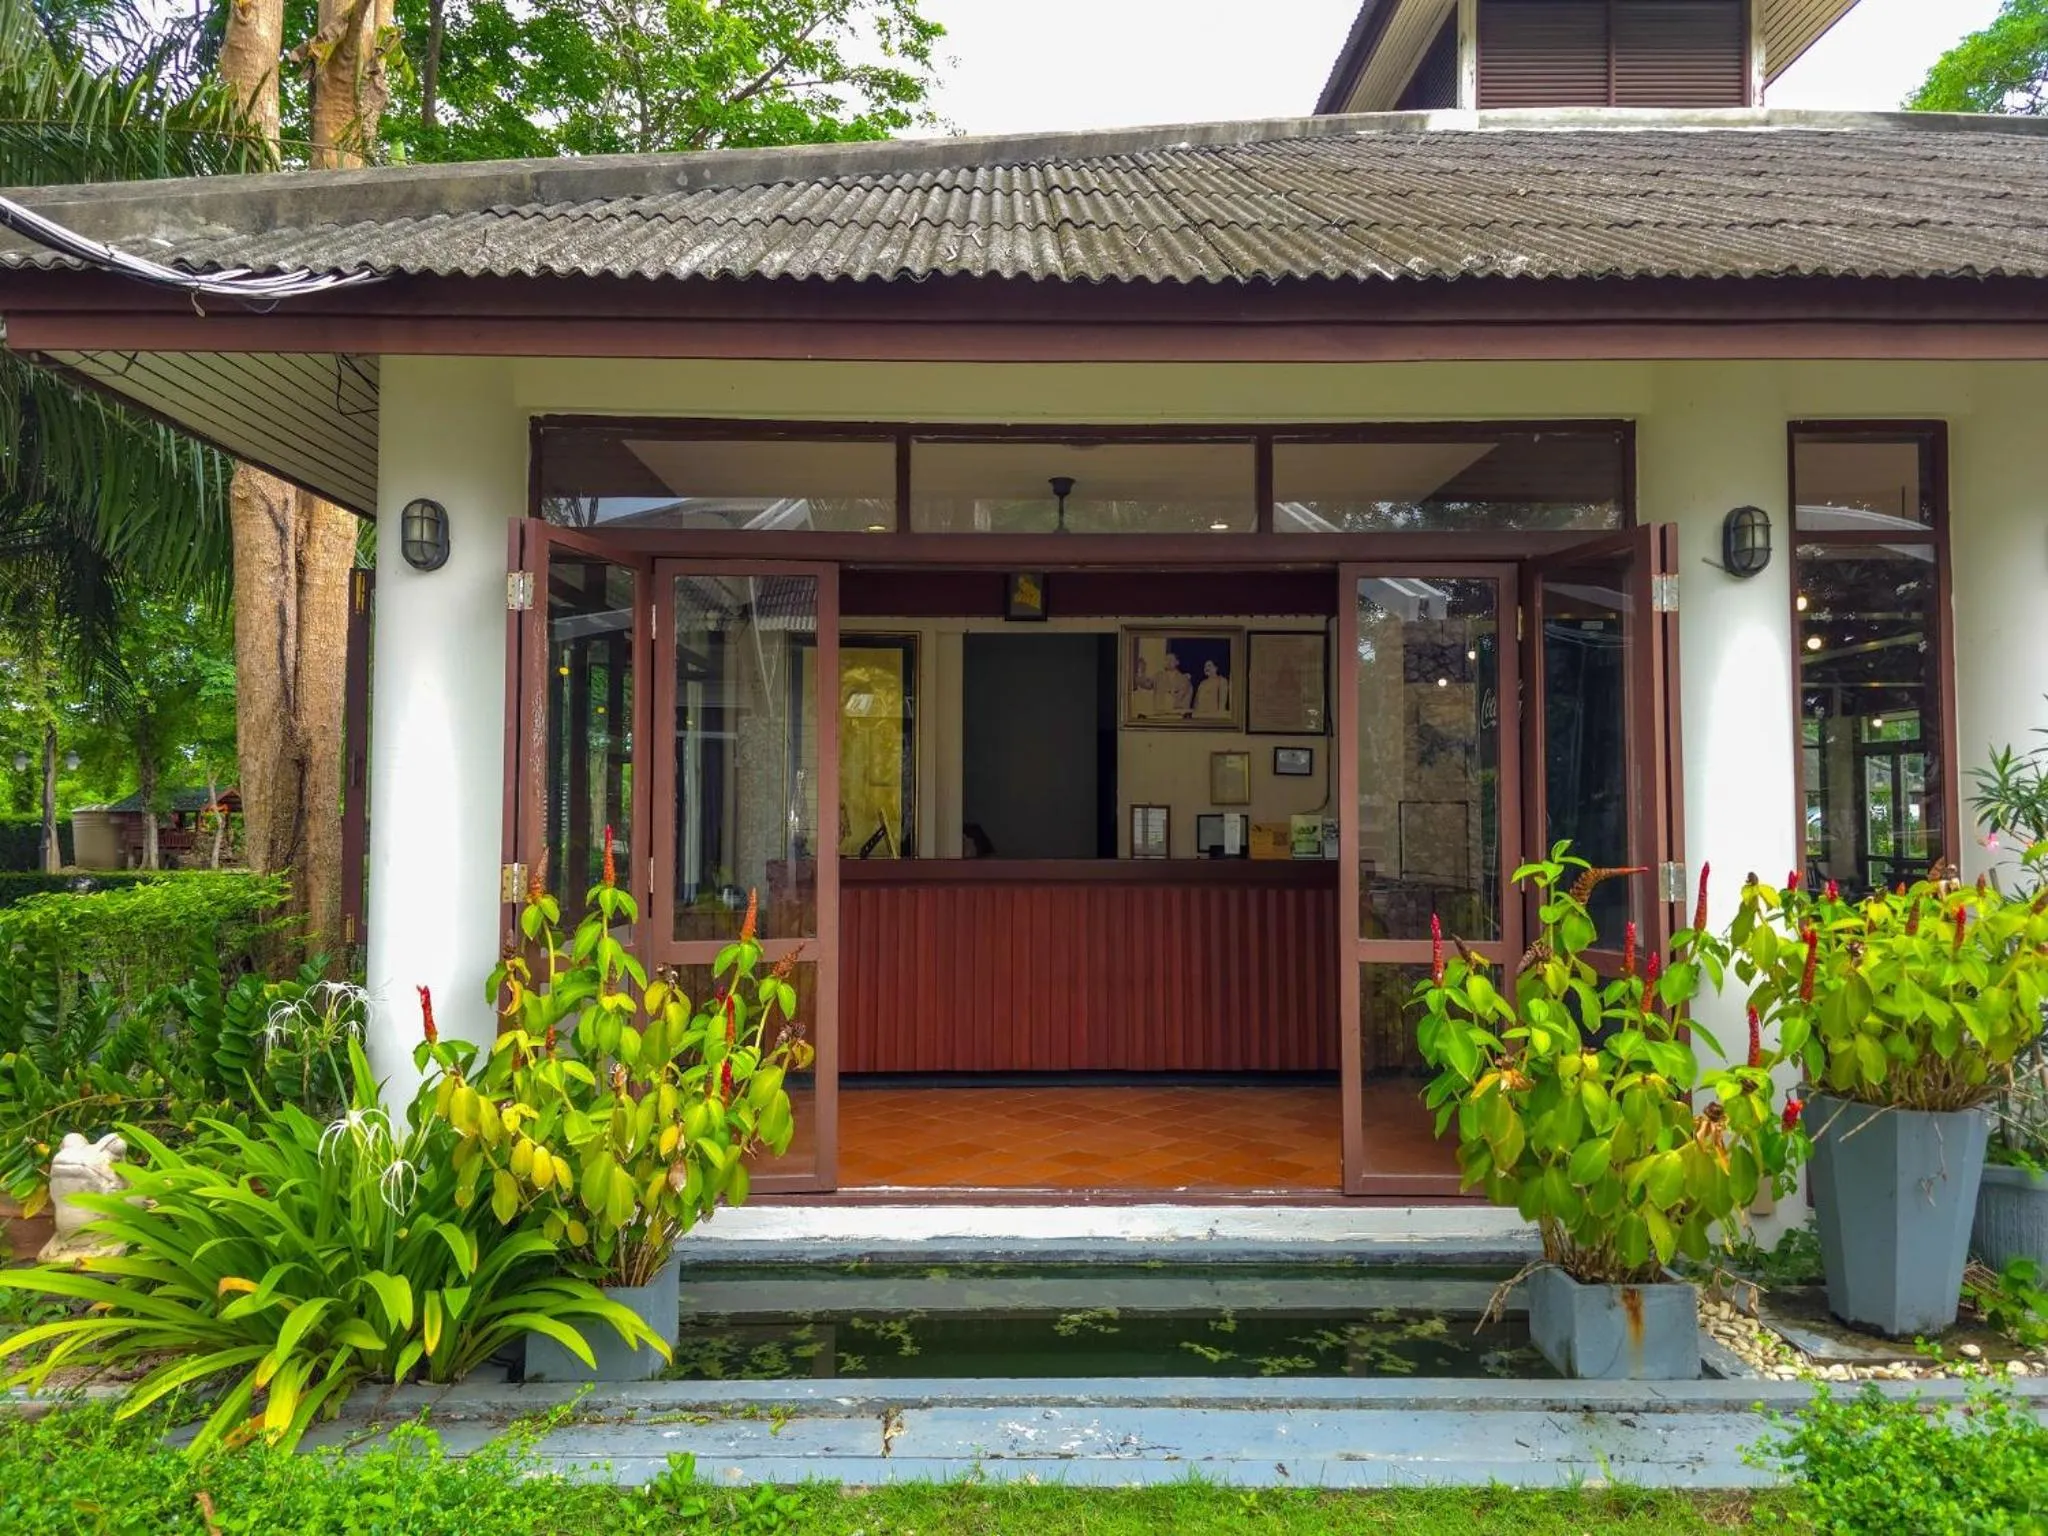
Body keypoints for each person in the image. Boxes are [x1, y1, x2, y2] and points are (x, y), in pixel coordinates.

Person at [1157, 648, 1193, 718]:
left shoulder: (1184, 679)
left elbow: (1181, 697)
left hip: (1177, 716)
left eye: (1171, 659)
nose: (1168, 662)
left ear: (1177, 662)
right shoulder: (1158, 676)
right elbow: (1147, 684)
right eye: (1166, 659)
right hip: (1160, 715)